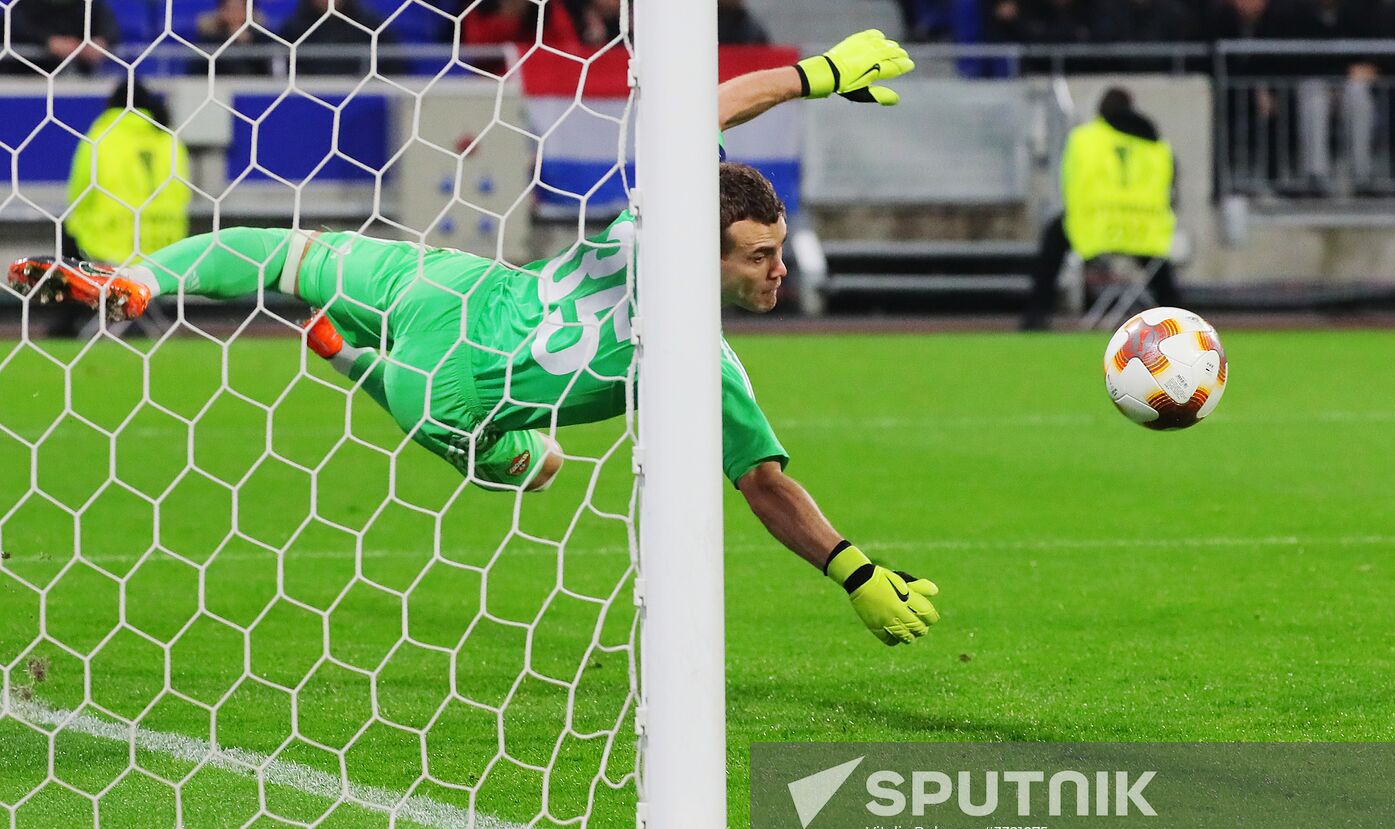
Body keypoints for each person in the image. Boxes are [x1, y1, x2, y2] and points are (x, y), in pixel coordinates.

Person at [9, 31, 940, 649]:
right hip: (463, 394)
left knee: (279, 254)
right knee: (532, 469)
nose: (779, 272)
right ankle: (336, 353)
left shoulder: (640, 234)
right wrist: (852, 572)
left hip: (456, 289)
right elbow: (764, 486)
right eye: (760, 257)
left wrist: (814, 76)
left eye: (780, 255)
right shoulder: (699, 363)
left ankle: (146, 280)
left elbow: (702, 114)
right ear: (710, 249)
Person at [1022, 87, 1180, 331]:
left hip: (1097, 228)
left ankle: (1037, 315)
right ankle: (1179, 320)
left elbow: (1069, 183)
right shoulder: (1157, 144)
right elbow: (1171, 189)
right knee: (1160, 273)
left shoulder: (1083, 138)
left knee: (1053, 239)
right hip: (1144, 230)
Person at [54, 81, 190, 337]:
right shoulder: (169, 139)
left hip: (110, 246)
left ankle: (71, 320)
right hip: (167, 249)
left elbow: (79, 198)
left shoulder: (101, 136)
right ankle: (146, 315)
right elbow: (182, 194)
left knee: (67, 235)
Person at [3, 0, 119, 76]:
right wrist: (47, 41)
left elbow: (109, 27)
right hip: (26, 76)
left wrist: (101, 40)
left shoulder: (90, 5)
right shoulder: (25, 6)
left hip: (80, 76)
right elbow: (12, 25)